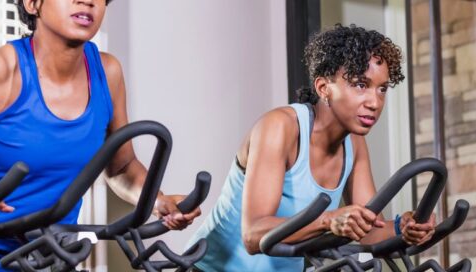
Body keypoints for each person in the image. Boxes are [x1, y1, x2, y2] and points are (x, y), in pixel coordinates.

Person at [0, 0, 201, 271]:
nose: (88, 1)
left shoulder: (107, 72)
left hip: (45, 261)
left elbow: (121, 167)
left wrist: (158, 201)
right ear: (32, 3)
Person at [187, 24, 436, 271]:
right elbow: (253, 235)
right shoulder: (280, 128)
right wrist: (329, 220)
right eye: (361, 84)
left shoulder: (355, 144)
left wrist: (402, 227)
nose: (374, 102)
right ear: (323, 88)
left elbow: (368, 232)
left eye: (382, 89)